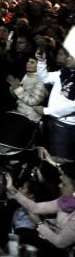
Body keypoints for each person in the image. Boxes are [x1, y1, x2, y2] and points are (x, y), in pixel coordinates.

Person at [35, 27, 75, 160]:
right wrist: (41, 62)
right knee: (52, 156)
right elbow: (44, 78)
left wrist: (46, 111)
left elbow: (72, 106)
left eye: (69, 56)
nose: (66, 59)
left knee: (60, 160)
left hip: (66, 126)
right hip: (55, 122)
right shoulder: (64, 73)